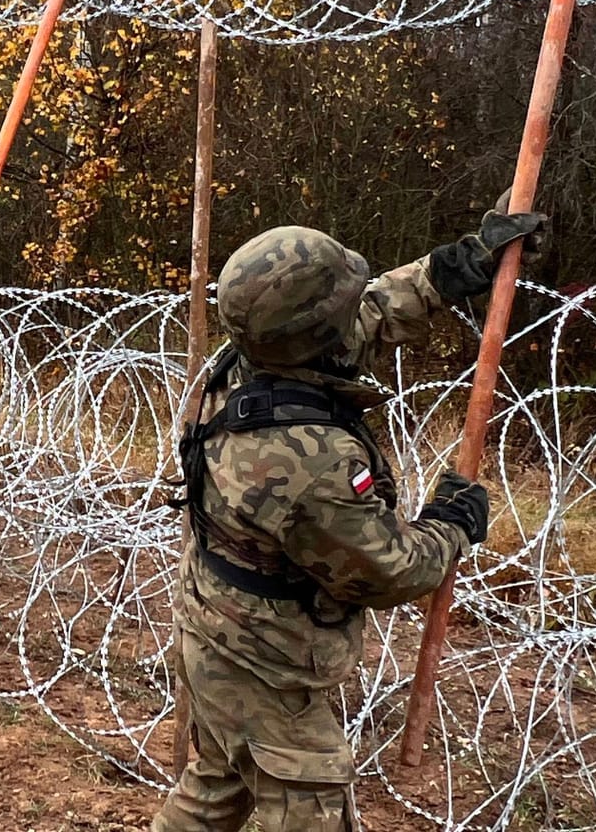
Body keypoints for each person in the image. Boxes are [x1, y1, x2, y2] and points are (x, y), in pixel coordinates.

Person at [152, 210, 546, 832]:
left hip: (211, 628)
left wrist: (452, 268)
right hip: (271, 668)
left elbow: (360, 319)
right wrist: (449, 523)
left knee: (213, 787)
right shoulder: (307, 459)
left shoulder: (243, 364)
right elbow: (385, 572)